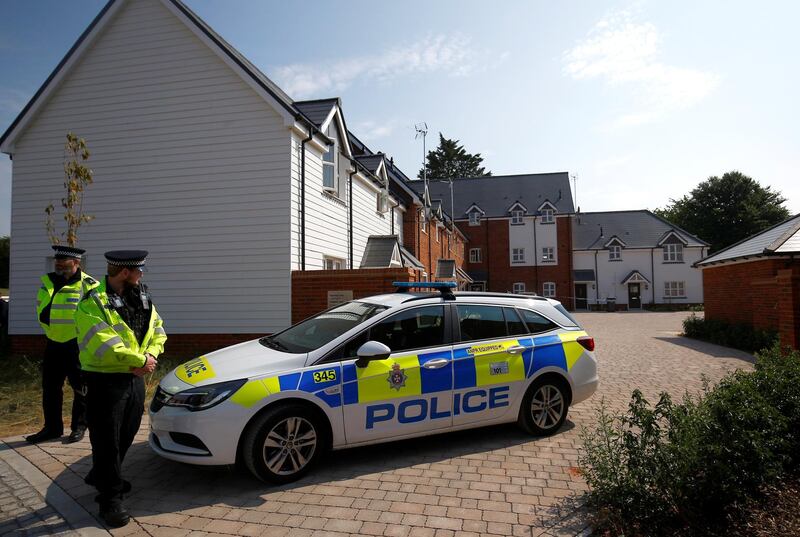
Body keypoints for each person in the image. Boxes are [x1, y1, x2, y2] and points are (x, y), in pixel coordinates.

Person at [75, 250, 166, 528]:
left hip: (134, 378)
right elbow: (103, 342)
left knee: (127, 430)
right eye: (139, 271)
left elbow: (158, 329)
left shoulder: (141, 295)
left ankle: (102, 474)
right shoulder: (93, 301)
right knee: (106, 440)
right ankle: (109, 500)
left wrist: (150, 356)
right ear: (125, 273)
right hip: (105, 380)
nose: (141, 276)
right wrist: (139, 361)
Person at [26, 245, 98, 444]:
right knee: (50, 388)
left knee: (80, 388)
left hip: (77, 345)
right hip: (53, 343)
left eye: (63, 261)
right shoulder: (48, 282)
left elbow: (95, 316)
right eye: (57, 260)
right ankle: (52, 428)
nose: (58, 263)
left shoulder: (89, 285)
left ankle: (80, 426)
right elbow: (42, 307)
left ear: (76, 262)